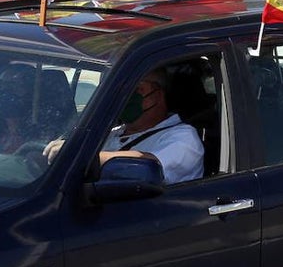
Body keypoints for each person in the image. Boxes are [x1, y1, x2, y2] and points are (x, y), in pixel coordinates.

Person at [43, 67, 204, 183]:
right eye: (121, 90)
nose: (125, 96)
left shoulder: (183, 138)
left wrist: (80, 156)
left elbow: (150, 165)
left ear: (158, 95)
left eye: (137, 89)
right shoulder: (111, 131)